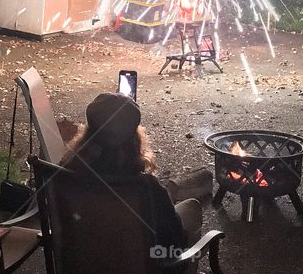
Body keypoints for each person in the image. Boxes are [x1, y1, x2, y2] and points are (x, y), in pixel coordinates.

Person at [62, 92, 201, 264]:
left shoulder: (65, 173)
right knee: (191, 208)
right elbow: (173, 241)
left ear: (88, 132)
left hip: (84, 262)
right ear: (134, 138)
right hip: (138, 263)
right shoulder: (147, 187)